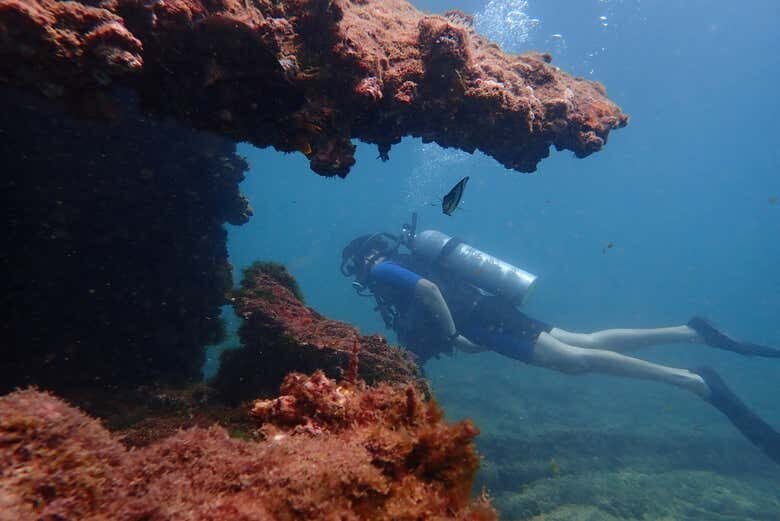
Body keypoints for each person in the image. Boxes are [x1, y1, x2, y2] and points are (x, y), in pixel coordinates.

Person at [340, 224, 780, 464]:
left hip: (482, 321)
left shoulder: (381, 269)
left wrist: (453, 334)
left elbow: (428, 291)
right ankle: (691, 332)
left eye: (353, 269)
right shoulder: (404, 258)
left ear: (361, 261)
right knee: (583, 341)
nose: (358, 277)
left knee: (574, 360)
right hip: (490, 308)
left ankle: (693, 381)